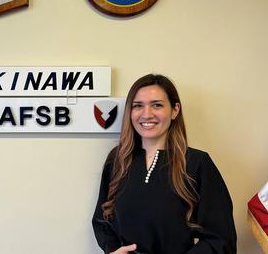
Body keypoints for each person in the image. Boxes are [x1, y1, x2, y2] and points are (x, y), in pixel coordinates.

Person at [92, 74, 237, 254]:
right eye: (138, 106)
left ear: (175, 110)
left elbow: (221, 238)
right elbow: (101, 220)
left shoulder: (197, 164)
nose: (147, 114)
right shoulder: (117, 161)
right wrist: (113, 250)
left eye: (157, 105)